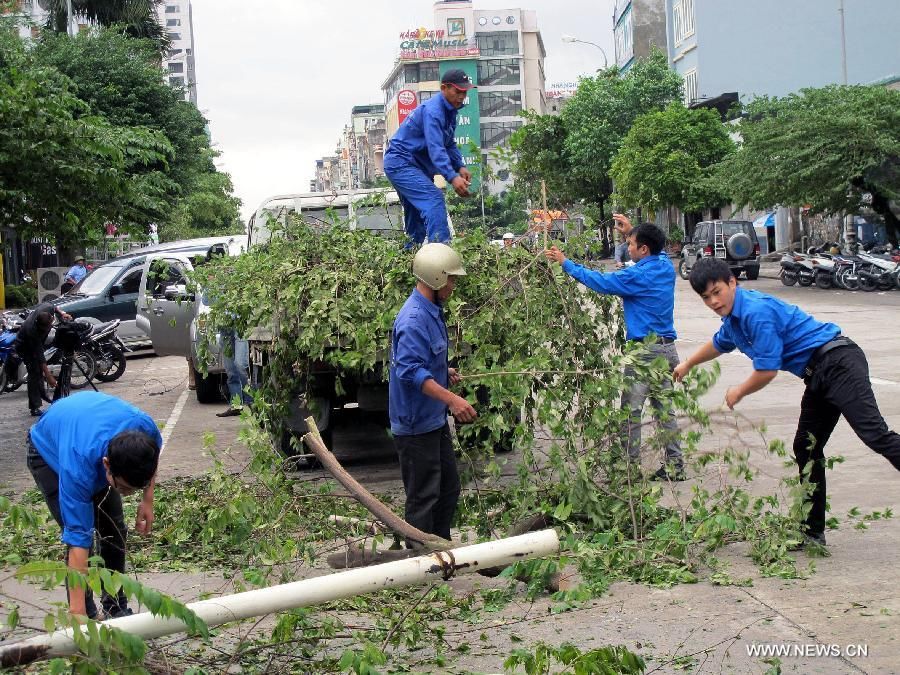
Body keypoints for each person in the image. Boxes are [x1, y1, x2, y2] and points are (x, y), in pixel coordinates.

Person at [674, 258, 900, 546]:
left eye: (717, 292)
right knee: (806, 447)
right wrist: (688, 364)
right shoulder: (734, 319)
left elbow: (767, 370)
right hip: (818, 373)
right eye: (706, 297)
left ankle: (811, 531)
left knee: (875, 435)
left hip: (839, 363)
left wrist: (739, 391)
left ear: (733, 282)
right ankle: (812, 533)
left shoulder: (755, 312)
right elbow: (719, 343)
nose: (714, 301)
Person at [545, 217, 684, 480]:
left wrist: (566, 263)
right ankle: (676, 466)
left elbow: (601, 282)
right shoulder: (665, 266)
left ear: (644, 249)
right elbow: (658, 248)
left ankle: (628, 470)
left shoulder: (637, 275)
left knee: (631, 412)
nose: (627, 247)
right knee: (665, 411)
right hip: (667, 351)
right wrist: (633, 231)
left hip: (645, 353)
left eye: (631, 243)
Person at [26, 391, 162, 618]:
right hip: (48, 454)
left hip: (86, 429)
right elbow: (77, 539)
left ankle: (116, 608)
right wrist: (77, 617)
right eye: (124, 488)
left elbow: (152, 461)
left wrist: (147, 499)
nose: (128, 495)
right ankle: (86, 615)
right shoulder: (77, 471)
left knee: (114, 531)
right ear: (107, 465)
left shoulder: (144, 429)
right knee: (84, 540)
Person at [389, 243, 477, 540]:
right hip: (415, 426)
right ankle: (418, 562)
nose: (454, 285)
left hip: (433, 420)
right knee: (423, 497)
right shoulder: (413, 320)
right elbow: (410, 371)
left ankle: (440, 549)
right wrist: (452, 400)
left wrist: (443, 372)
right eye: (451, 279)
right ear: (436, 278)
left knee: (448, 487)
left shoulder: (431, 310)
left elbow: (425, 361)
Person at [383, 69, 476, 246]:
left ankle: (410, 259)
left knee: (416, 217)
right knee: (434, 199)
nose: (461, 96)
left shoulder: (450, 111)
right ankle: (441, 257)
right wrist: (452, 177)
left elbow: (448, 143)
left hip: (416, 167)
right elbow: (436, 149)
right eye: (458, 91)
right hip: (401, 163)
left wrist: (459, 166)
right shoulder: (434, 112)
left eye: (464, 92)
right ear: (444, 88)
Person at [14, 303, 72, 417]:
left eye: (49, 325)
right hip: (25, 346)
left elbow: (54, 307)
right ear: (39, 326)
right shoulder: (32, 332)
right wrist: (49, 376)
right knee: (34, 373)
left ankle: (43, 396)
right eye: (45, 328)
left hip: (38, 342)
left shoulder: (47, 309)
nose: (48, 328)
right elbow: (39, 356)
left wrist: (62, 313)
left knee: (40, 370)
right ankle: (34, 407)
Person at [217, 329, 252, 417]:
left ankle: (251, 403)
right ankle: (236, 406)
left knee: (241, 365)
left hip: (240, 324)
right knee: (230, 370)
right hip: (225, 327)